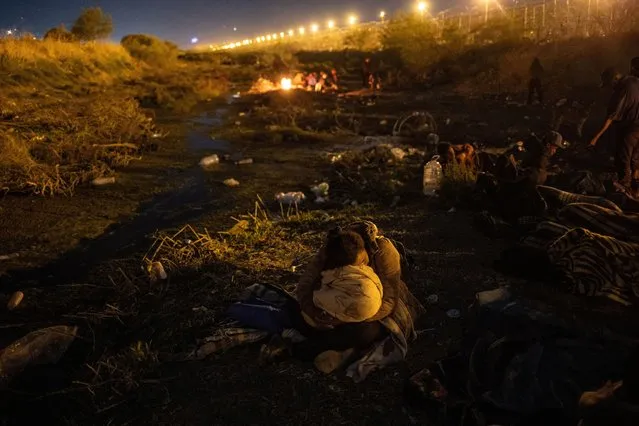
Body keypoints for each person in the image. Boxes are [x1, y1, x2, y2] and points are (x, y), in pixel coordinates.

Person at [293, 221, 423, 374]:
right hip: (339, 301)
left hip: (374, 311)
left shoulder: (384, 251)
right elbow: (304, 287)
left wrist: (344, 318)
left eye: (361, 263)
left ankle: (312, 348)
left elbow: (389, 302)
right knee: (299, 312)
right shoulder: (333, 248)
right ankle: (343, 349)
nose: (360, 267)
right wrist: (316, 312)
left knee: (367, 332)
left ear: (364, 249)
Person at [590, 59, 639, 198]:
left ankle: (625, 193)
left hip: (631, 128)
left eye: (609, 83)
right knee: (635, 161)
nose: (609, 87)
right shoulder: (635, 80)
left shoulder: (622, 89)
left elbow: (611, 116)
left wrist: (595, 138)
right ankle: (636, 193)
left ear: (614, 78)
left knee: (623, 159)